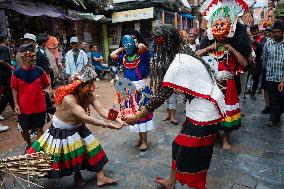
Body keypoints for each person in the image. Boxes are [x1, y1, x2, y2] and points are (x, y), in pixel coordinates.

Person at [124, 24, 225, 189]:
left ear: (164, 44)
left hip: (205, 114)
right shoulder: (183, 54)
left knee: (192, 159)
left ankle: (198, 186)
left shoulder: (179, 61)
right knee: (177, 145)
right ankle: (171, 182)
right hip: (200, 109)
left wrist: (136, 116)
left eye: (157, 46)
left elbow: (161, 95)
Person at [26, 65, 124, 187]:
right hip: (62, 129)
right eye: (88, 85)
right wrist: (107, 125)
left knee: (94, 148)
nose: (91, 88)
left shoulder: (89, 95)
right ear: (78, 86)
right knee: (75, 153)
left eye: (91, 84)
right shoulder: (69, 98)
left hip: (78, 125)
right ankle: (77, 175)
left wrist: (118, 117)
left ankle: (101, 178)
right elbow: (85, 117)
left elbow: (102, 110)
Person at [196, 0, 252, 150]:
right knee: (212, 111)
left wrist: (231, 48)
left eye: (223, 27)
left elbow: (245, 64)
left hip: (229, 85)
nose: (220, 32)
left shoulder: (234, 46)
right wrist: (209, 47)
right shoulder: (209, 46)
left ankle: (226, 139)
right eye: (217, 27)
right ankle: (214, 134)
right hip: (212, 85)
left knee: (228, 111)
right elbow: (195, 57)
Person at [110, 29, 154, 151]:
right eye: (127, 41)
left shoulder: (143, 55)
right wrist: (122, 47)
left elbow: (143, 47)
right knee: (133, 114)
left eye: (133, 40)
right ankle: (140, 138)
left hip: (141, 91)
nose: (129, 43)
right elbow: (112, 55)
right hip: (129, 91)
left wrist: (135, 41)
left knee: (142, 114)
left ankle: (145, 140)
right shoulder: (124, 57)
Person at [11, 43, 50, 150]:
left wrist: (44, 91)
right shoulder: (17, 72)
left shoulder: (39, 70)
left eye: (34, 55)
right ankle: (29, 144)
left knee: (39, 128)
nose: (33, 58)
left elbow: (47, 84)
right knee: (23, 129)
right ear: (24, 57)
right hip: (24, 107)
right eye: (30, 56)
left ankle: (39, 149)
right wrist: (16, 104)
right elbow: (14, 88)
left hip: (39, 106)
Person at [263, 21, 284, 127]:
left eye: (278, 32)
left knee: (281, 99)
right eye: (274, 32)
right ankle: (273, 117)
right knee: (273, 98)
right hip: (271, 77)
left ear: (283, 32)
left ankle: (278, 113)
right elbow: (265, 59)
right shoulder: (268, 44)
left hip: (282, 78)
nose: (276, 34)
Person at [249, 25, 266, 100]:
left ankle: (253, 92)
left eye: (256, 31)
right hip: (249, 59)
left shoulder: (262, 38)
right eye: (253, 31)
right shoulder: (250, 38)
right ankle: (246, 90)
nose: (254, 33)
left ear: (258, 30)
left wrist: (255, 42)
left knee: (256, 76)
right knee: (247, 75)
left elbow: (263, 47)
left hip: (258, 60)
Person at [0, 34, 13, 132]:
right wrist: (10, 66)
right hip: (5, 73)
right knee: (7, 94)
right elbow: (2, 60)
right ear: (4, 40)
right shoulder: (4, 48)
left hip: (2, 74)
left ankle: (15, 108)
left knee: (9, 92)